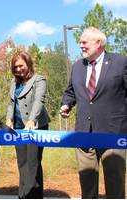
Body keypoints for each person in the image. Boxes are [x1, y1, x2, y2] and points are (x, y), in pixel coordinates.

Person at [60, 27, 127, 198]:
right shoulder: (77, 66)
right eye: (80, 42)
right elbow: (70, 92)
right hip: (84, 133)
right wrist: (66, 104)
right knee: (87, 181)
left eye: (84, 42)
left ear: (99, 43)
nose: (80, 45)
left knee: (115, 182)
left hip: (113, 134)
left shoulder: (120, 62)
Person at [5, 50, 50, 199]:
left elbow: (39, 101)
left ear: (28, 64)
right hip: (18, 129)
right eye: (15, 67)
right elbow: (11, 103)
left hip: (35, 127)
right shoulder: (14, 82)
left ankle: (33, 196)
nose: (18, 69)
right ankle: (23, 196)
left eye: (21, 66)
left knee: (33, 165)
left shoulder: (39, 80)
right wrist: (9, 120)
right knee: (22, 164)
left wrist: (32, 120)